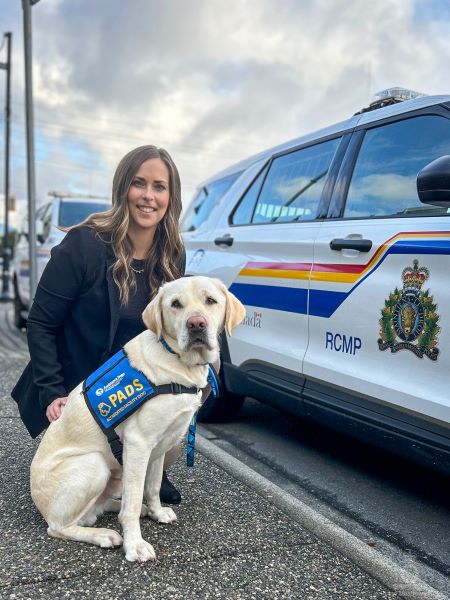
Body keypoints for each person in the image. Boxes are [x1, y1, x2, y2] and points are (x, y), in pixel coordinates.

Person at [12, 145, 187, 504]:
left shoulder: (172, 256)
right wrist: (53, 393)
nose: (149, 196)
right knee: (84, 487)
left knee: (157, 450)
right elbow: (41, 323)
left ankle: (141, 467)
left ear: (172, 196)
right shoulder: (84, 245)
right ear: (123, 187)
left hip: (131, 391)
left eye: (159, 186)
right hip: (75, 388)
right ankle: (112, 460)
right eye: (139, 184)